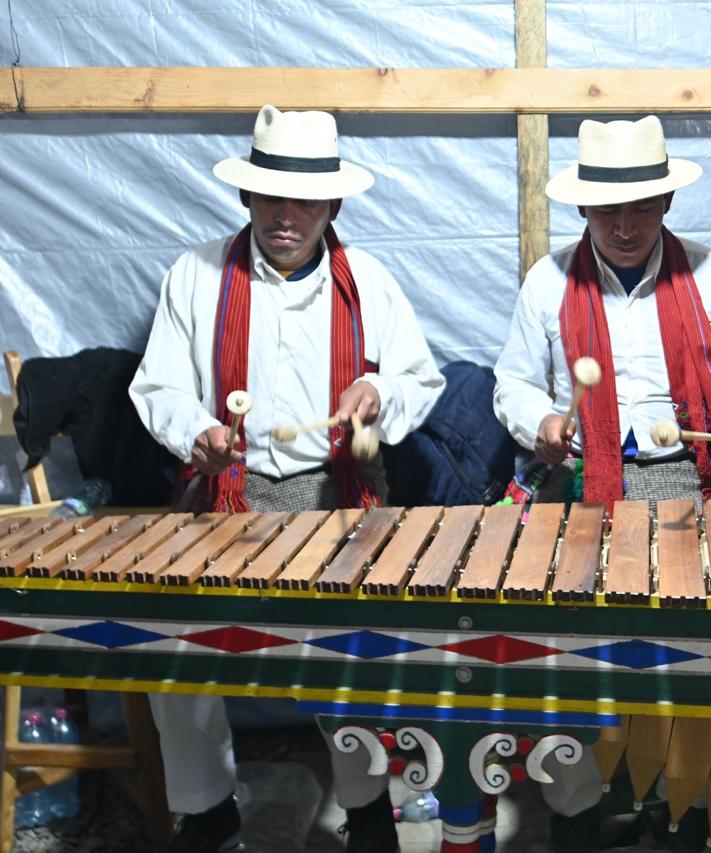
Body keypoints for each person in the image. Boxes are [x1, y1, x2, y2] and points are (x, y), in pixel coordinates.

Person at [130, 104, 444, 853]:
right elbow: (159, 387)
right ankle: (207, 812)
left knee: (356, 650)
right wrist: (196, 434)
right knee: (172, 642)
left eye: (305, 199)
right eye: (271, 196)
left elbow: (420, 379)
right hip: (222, 497)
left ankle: (367, 808)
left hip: (335, 498)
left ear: (332, 204)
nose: (286, 214)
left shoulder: (367, 280)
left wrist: (379, 395)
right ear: (245, 197)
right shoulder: (195, 273)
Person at [492, 115, 711, 850]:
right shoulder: (547, 281)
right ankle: (585, 810)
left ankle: (683, 809)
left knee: (692, 661)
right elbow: (513, 383)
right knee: (586, 662)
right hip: (588, 484)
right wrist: (545, 424)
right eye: (608, 209)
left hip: (692, 481)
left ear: (667, 205)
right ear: (582, 206)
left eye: (640, 207)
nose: (623, 225)